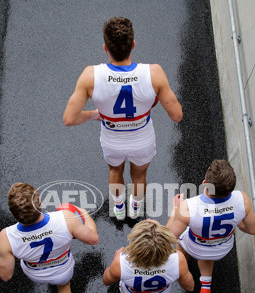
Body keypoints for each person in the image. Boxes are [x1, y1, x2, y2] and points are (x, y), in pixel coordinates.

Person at [63, 17, 183, 221]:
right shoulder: (154, 73)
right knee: (139, 175)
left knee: (115, 170)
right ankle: (135, 208)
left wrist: (94, 114)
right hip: (142, 138)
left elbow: (69, 119)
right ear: (133, 45)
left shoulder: (90, 76)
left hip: (112, 138)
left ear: (105, 48)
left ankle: (118, 208)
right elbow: (177, 115)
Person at [0, 183, 99, 293]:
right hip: (62, 269)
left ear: (13, 213)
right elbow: (93, 239)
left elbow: (6, 275)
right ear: (41, 203)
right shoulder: (66, 218)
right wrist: (84, 214)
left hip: (34, 272)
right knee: (64, 287)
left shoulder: (6, 236)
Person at [166, 159, 255, 293]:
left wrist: (175, 210)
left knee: (180, 246)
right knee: (208, 254)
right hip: (222, 248)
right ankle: (205, 288)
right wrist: (239, 223)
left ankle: (182, 270)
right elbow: (253, 230)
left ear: (205, 183)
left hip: (195, 246)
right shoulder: (243, 199)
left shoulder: (188, 207)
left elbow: (168, 237)